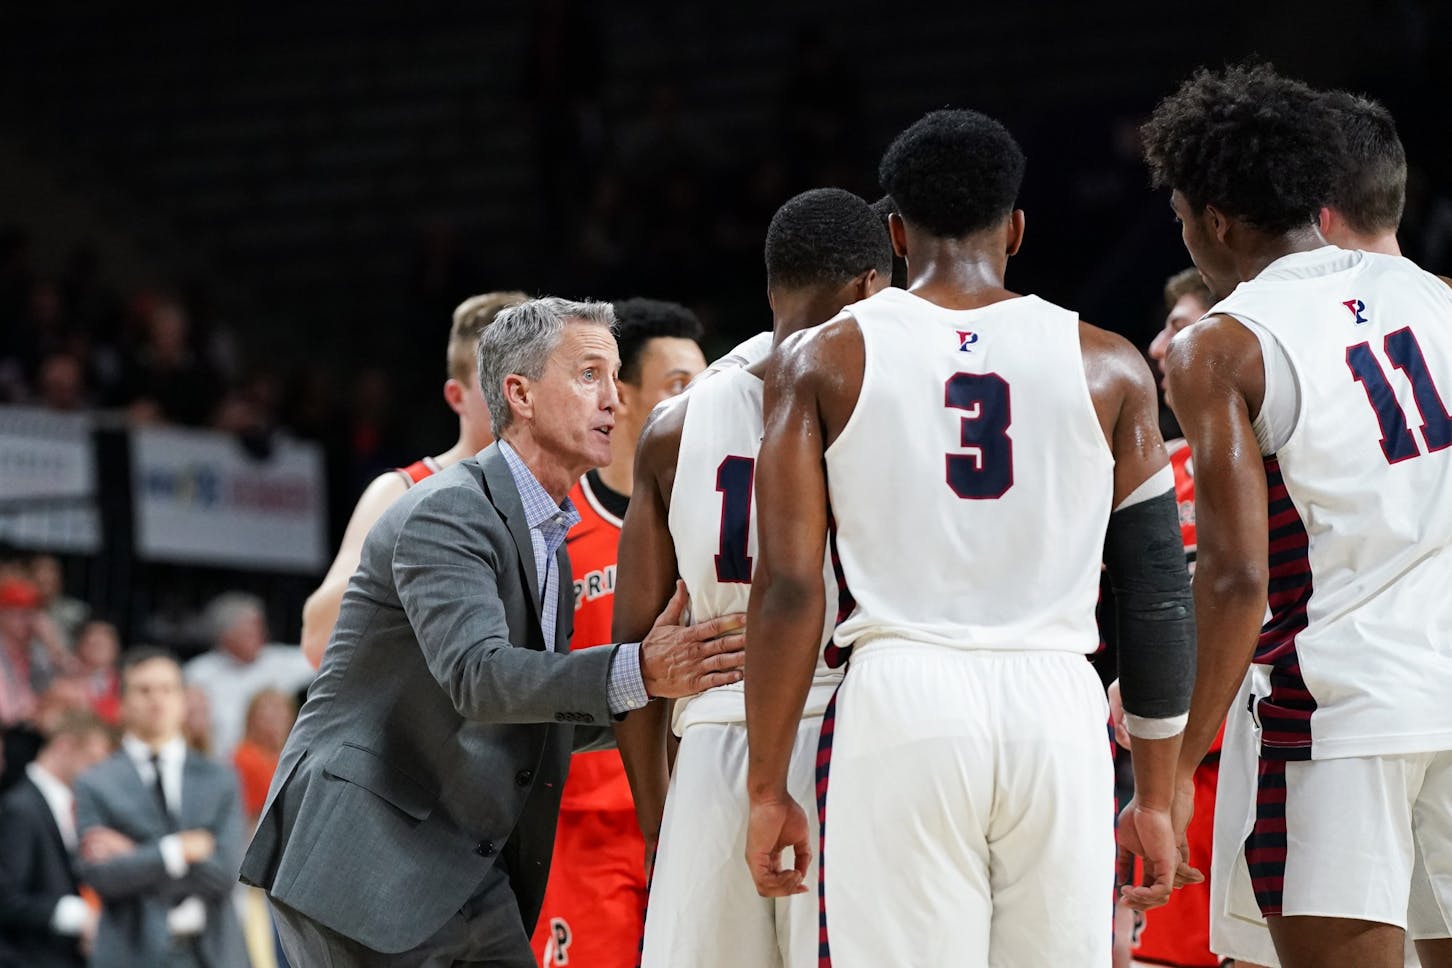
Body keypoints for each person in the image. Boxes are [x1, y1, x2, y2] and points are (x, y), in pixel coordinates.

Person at [744, 109, 1196, 967]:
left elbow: (791, 588)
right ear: (1018, 227)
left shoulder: (819, 360)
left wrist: (768, 786)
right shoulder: (1109, 364)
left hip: (903, 698)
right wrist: (1162, 794)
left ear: (894, 234)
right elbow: (1158, 590)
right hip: (1058, 705)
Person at [240, 297, 748, 968]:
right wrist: (640, 671)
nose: (614, 401)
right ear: (520, 394)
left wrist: (673, 691)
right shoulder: (448, 510)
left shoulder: (547, 533)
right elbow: (481, 679)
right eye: (590, 374)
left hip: (459, 861)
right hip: (368, 852)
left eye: (615, 375)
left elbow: (541, 711)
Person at [1144, 64, 1452, 968]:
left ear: (1216, 219)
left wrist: (1169, 774)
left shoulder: (1221, 343)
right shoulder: (1434, 294)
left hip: (1338, 716)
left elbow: (1238, 579)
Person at [614, 187, 889, 967]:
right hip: (848, 732)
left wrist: (658, 820)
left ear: (771, 286)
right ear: (873, 286)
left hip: (709, 750)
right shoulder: (891, 396)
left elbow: (629, 655)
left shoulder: (672, 428)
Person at [531, 298, 706, 968]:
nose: (700, 402)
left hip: (695, 815)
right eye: (678, 386)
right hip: (583, 826)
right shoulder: (551, 524)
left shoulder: (716, 516)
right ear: (622, 396)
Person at [300, 290, 527, 668]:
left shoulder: (573, 496)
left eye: (528, 376)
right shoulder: (402, 490)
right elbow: (318, 641)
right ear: (457, 396)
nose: (517, 395)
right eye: (497, 379)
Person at [74, 648, 249, 968]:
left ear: (183, 700)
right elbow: (100, 877)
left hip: (213, 952)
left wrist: (134, 854)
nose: (157, 700)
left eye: (168, 689)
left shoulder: (220, 777)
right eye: (144, 690)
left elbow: (224, 874)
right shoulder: (94, 782)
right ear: (123, 702)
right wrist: (176, 851)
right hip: (130, 954)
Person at [0, 711, 112, 968]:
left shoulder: (71, 806)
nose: (98, 775)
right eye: (93, 761)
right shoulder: (20, 808)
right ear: (64, 746)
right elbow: (6, 898)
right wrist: (78, 915)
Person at [183, 592, 313, 761]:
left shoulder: (277, 662)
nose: (260, 635)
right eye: (248, 630)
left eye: (259, 628)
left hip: (268, 763)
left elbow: (327, 657)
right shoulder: (198, 673)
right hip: (213, 762)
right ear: (225, 635)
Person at [232, 689, 297, 825]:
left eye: (280, 713)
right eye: (267, 716)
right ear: (251, 720)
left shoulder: (296, 756)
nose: (274, 720)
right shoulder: (243, 758)